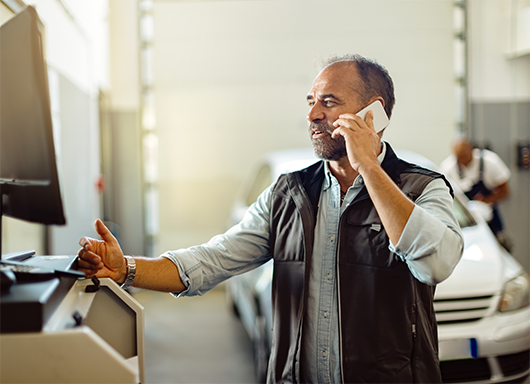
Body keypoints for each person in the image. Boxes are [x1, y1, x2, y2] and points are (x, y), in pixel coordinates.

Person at [78, 54, 464, 384]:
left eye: (329, 102)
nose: (313, 114)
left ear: (373, 112)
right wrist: (126, 268)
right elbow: (211, 260)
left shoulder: (422, 188)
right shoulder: (289, 194)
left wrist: (367, 165)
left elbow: (435, 263)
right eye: (311, 101)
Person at [440, 137, 511, 251]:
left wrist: (486, 201)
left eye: (464, 156)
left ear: (472, 150)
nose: (462, 160)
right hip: (465, 222)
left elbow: (505, 191)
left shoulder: (490, 161)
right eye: (458, 157)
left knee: (498, 247)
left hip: (489, 216)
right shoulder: (447, 168)